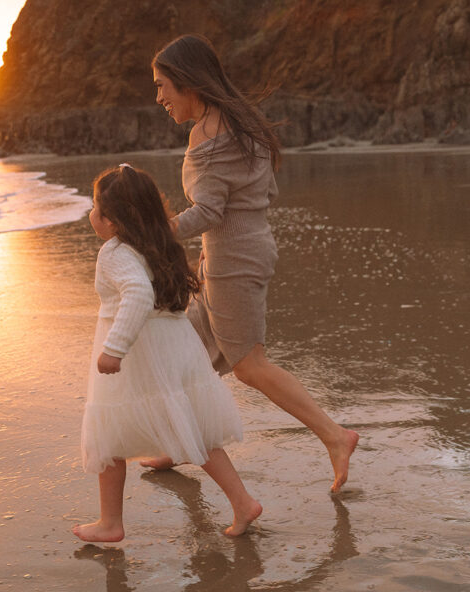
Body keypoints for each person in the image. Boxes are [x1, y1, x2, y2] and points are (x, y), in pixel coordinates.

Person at [146, 34, 360, 492]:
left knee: (249, 365)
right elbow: (260, 194)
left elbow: (208, 212)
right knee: (190, 353)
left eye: (163, 85)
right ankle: (180, 441)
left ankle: (335, 436)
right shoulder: (241, 122)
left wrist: (153, 232)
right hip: (240, 250)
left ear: (188, 83)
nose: (159, 97)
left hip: (234, 261)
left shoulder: (208, 137)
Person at [75, 164, 263, 542]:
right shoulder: (158, 244)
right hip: (173, 346)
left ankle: (111, 523)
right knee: (193, 426)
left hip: (139, 354)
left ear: (112, 221)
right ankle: (242, 501)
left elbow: (139, 294)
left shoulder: (115, 253)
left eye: (96, 208)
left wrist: (114, 349)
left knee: (107, 439)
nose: (91, 214)